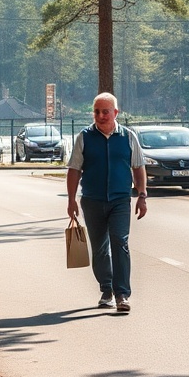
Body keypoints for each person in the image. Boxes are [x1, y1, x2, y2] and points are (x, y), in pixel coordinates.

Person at [66, 92, 147, 313]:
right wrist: (71, 200)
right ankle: (106, 289)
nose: (101, 116)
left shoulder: (128, 137)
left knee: (120, 242)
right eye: (97, 112)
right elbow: (74, 170)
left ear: (115, 113)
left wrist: (142, 196)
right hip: (92, 200)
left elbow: (138, 167)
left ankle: (122, 294)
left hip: (120, 200)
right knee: (100, 248)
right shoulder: (84, 137)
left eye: (105, 111)